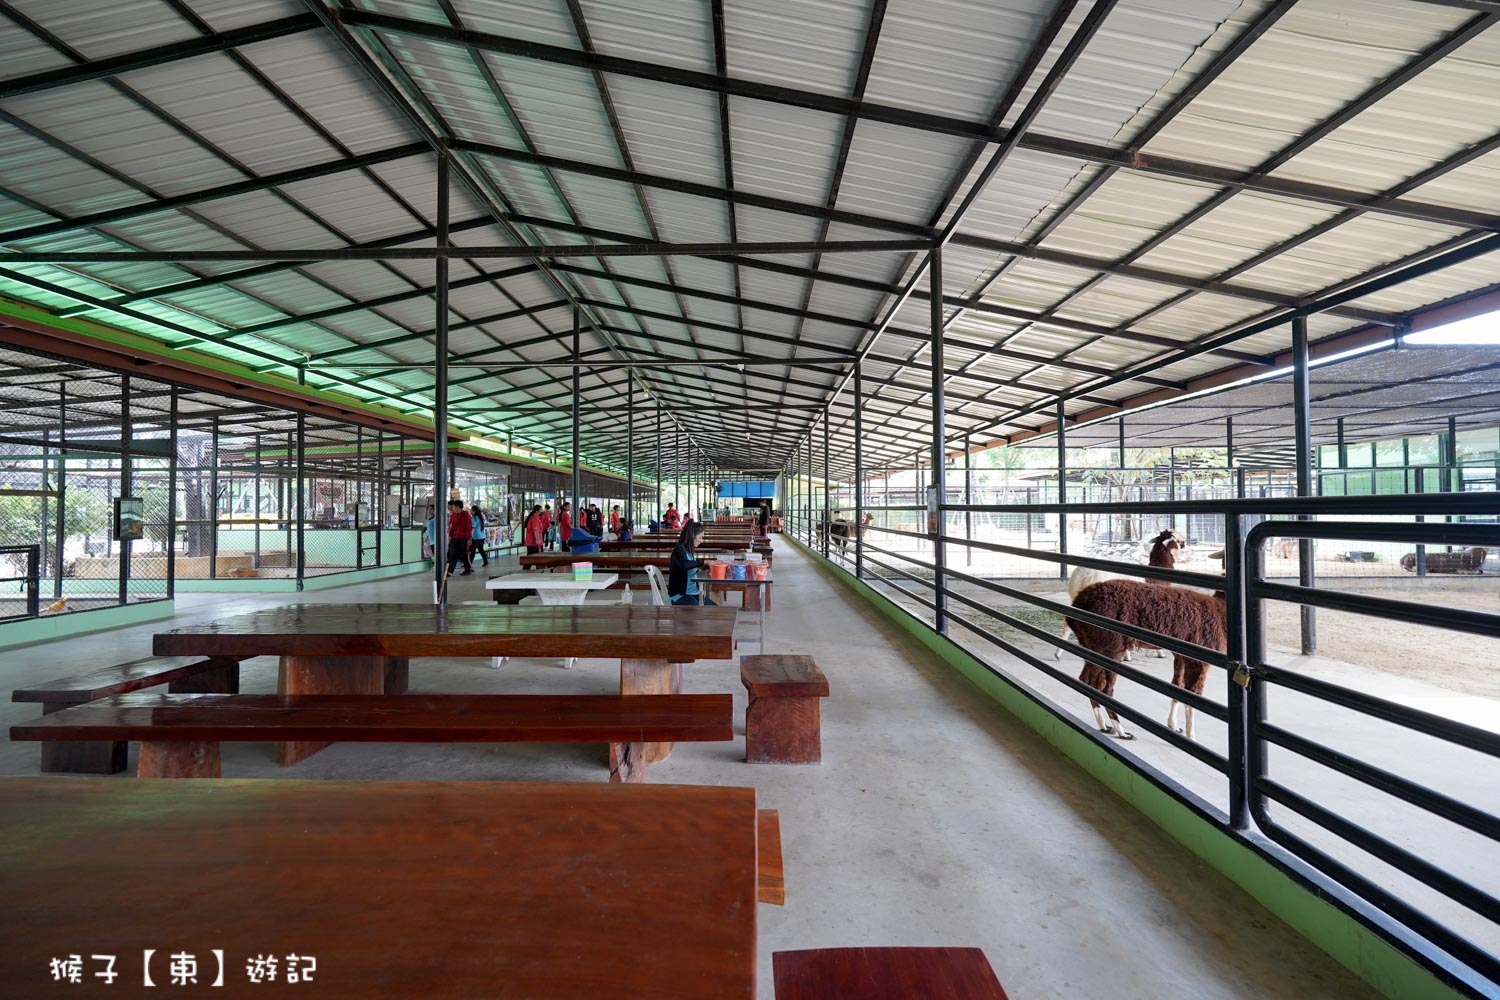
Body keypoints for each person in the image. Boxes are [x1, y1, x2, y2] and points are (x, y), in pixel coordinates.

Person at [668, 520, 716, 606]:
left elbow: (692, 567)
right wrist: (702, 562)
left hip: (693, 593)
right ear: (692, 536)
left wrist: (706, 566)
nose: (701, 541)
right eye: (700, 538)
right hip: (679, 595)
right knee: (698, 611)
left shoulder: (689, 552)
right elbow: (685, 565)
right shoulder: (679, 550)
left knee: (714, 608)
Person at [446, 499, 473, 576]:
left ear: (457, 507)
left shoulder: (466, 515)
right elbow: (451, 527)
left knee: (464, 555)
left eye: (453, 506)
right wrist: (450, 536)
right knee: (452, 555)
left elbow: (468, 527)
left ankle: (468, 569)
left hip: (463, 539)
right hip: (454, 538)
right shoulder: (453, 515)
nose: (452, 508)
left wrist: (469, 538)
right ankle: (450, 571)